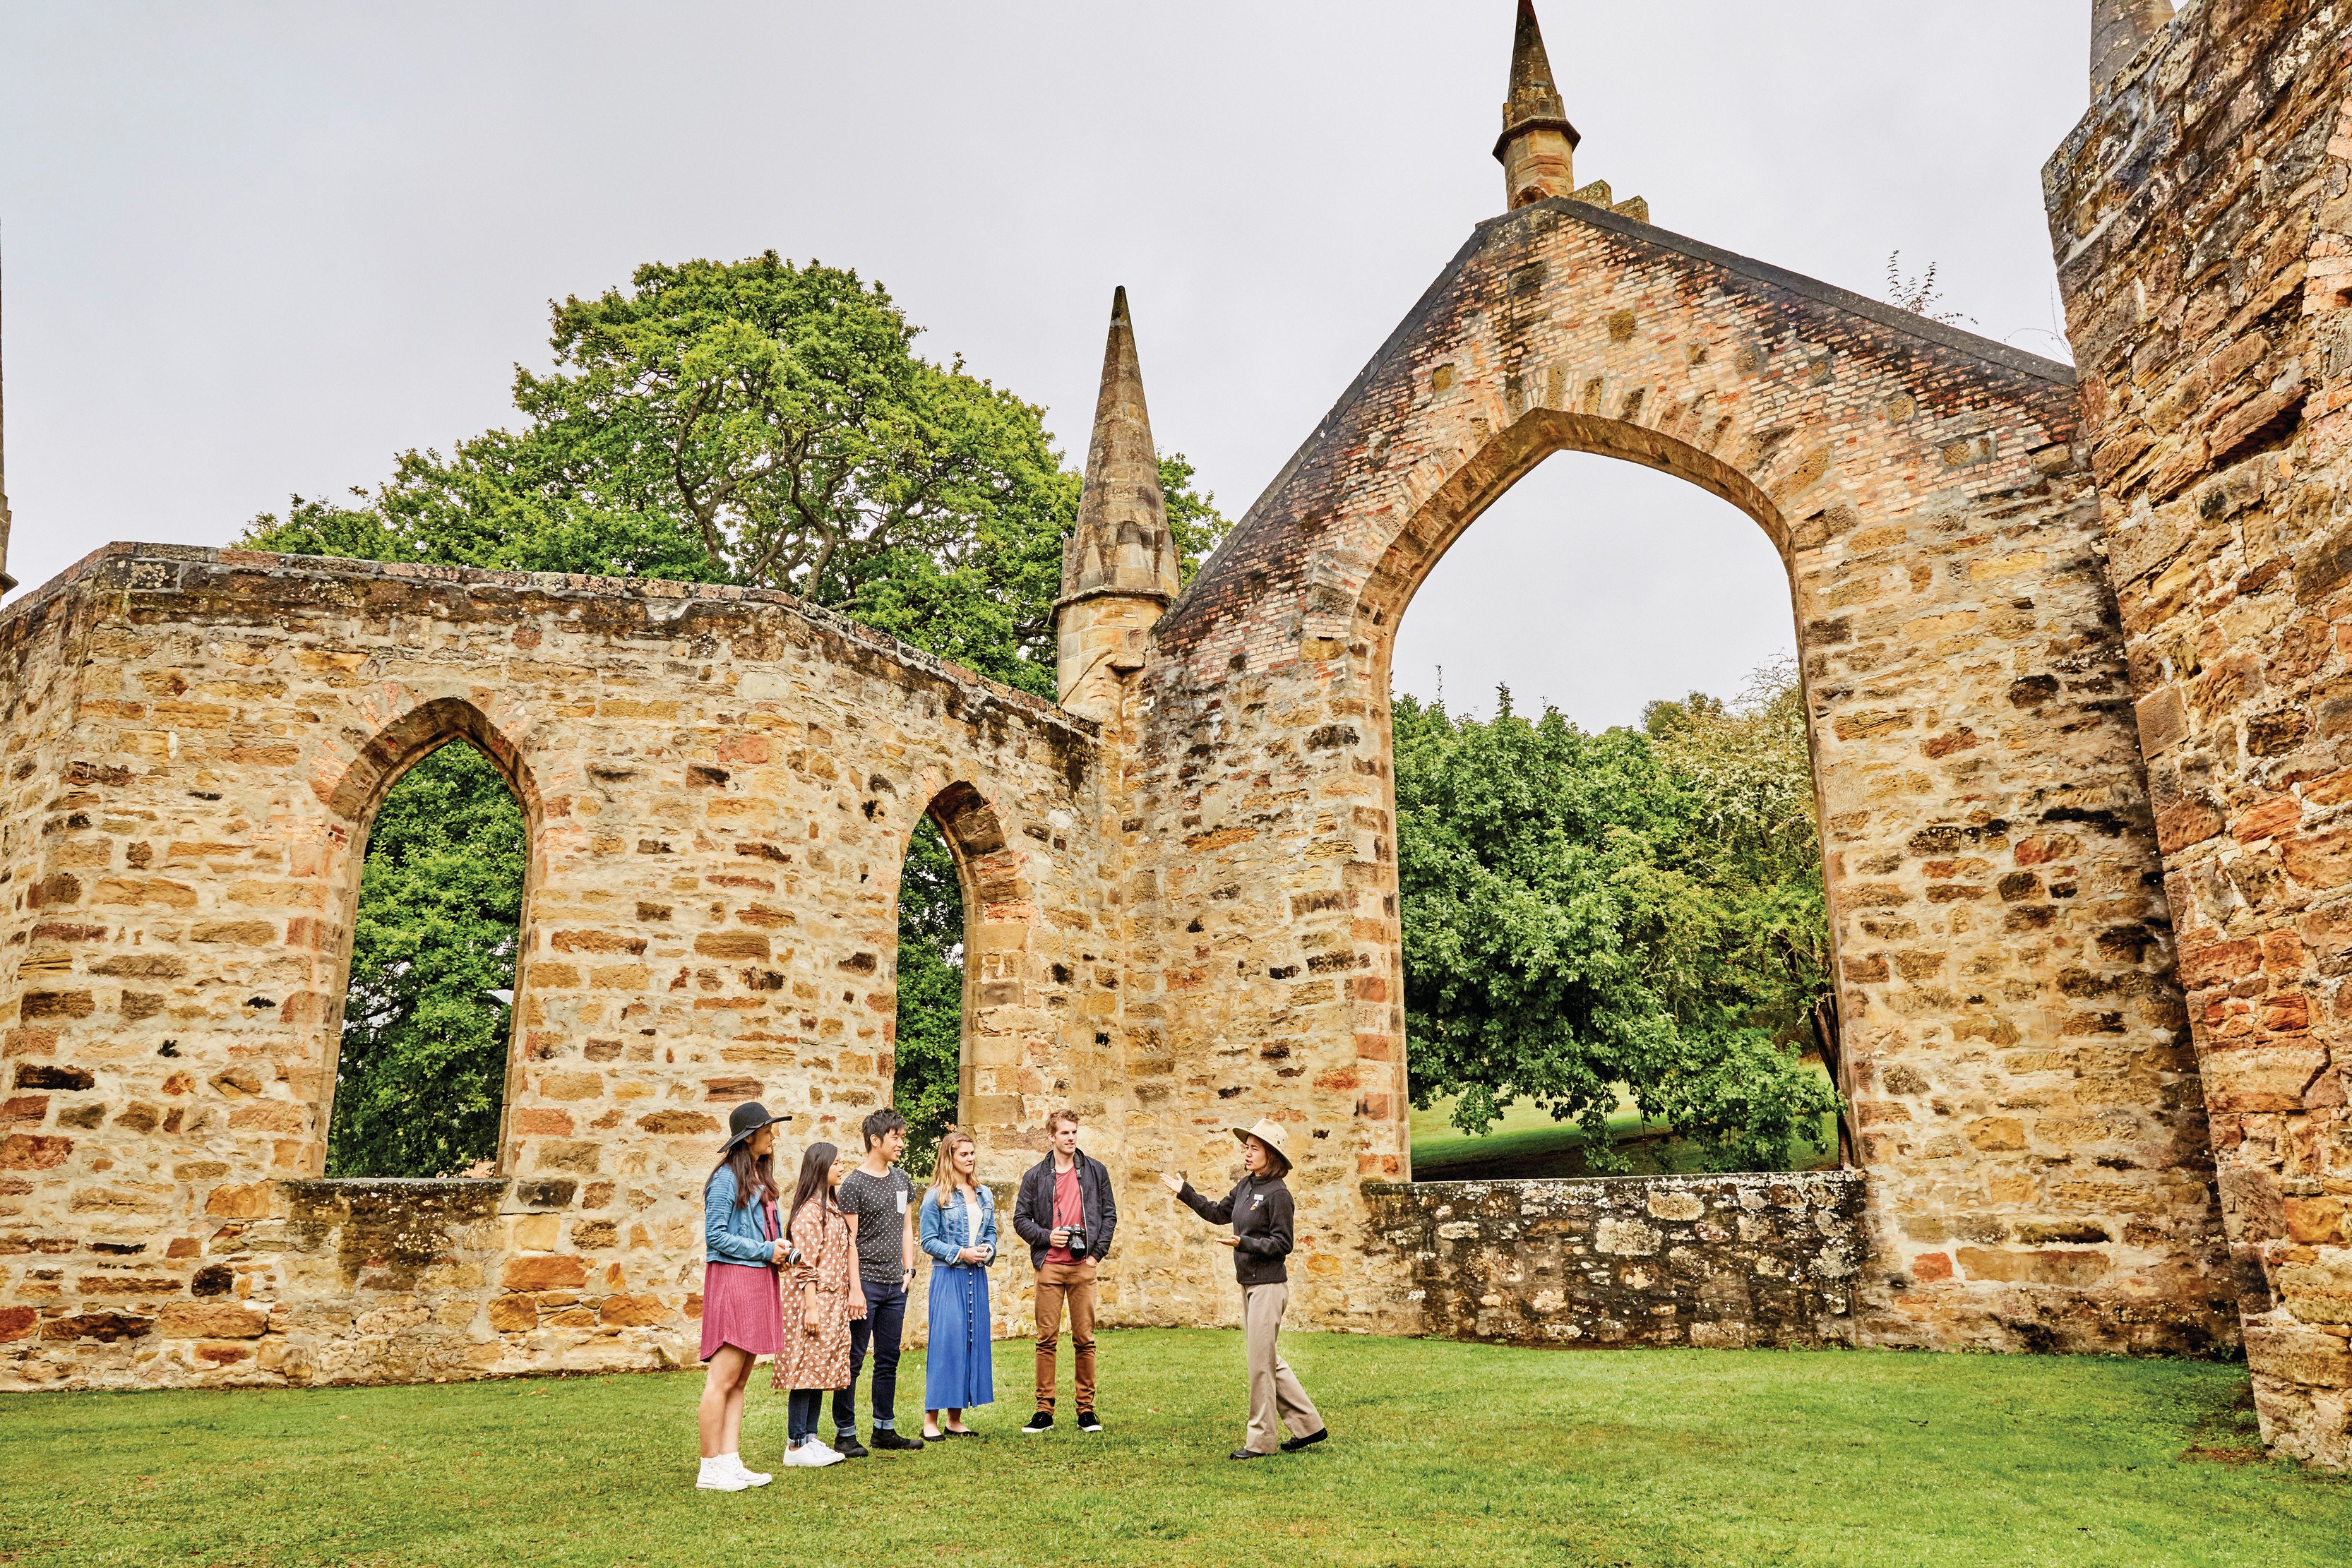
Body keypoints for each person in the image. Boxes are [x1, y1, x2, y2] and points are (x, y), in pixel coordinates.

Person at [1162, 1116, 1329, 1461]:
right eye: (1246, 1147)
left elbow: (1284, 1243)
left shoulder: (1279, 1194)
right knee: (1267, 1360)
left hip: (1269, 1287)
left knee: (1259, 1365)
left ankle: (1261, 1442)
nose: (1247, 1153)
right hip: (1250, 1285)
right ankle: (1310, 1426)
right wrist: (1185, 1193)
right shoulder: (1246, 1186)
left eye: (1254, 1148)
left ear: (1271, 1154)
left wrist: (1246, 1242)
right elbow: (1217, 1212)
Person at [696, 1101, 795, 1492]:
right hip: (734, 1283)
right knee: (720, 1381)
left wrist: (777, 1249)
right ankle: (709, 1468)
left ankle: (730, 1460)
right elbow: (715, 1236)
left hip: (757, 1282)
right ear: (750, 1136)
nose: (774, 1136)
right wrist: (764, 1251)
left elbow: (758, 1233)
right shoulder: (724, 1180)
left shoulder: (757, 1178)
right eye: (768, 1130)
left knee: (739, 1383)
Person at [1011, 1106, 1116, 1435]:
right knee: (1046, 1340)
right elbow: (1019, 1219)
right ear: (1051, 1136)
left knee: (1085, 1340)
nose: (1071, 1138)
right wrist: (1046, 1236)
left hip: (1084, 1266)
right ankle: (1044, 1411)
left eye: (1074, 1132)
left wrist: (1096, 1255)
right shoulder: (1035, 1176)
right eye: (1065, 1133)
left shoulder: (1095, 1171)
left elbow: (1109, 1215)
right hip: (1050, 1267)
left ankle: (1086, 1411)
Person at [830, 1108, 924, 1456]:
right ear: (875, 1140)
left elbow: (907, 1228)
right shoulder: (853, 1184)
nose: (901, 1142)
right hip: (865, 1284)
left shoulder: (902, 1179)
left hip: (895, 1285)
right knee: (853, 1359)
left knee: (889, 1358)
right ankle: (846, 1433)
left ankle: (884, 1429)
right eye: (896, 1136)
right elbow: (849, 1240)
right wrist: (855, 1289)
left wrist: (908, 1270)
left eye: (902, 1136)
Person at [772, 1140, 865, 1468]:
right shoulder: (810, 1213)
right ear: (820, 1167)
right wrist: (811, 1307)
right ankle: (796, 1444)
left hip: (832, 1302)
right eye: (836, 1162)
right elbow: (805, 1265)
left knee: (818, 1371)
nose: (842, 1166)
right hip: (814, 1301)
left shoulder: (831, 1208)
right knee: (804, 1370)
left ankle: (810, 1438)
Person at [918, 1127, 997, 1437]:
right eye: (963, 1154)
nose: (970, 1159)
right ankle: (930, 1421)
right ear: (949, 1158)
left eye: (972, 1153)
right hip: (949, 1276)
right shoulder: (935, 1196)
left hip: (976, 1277)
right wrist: (961, 1253)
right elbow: (928, 1241)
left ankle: (954, 1418)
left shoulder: (984, 1194)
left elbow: (990, 1233)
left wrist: (986, 1250)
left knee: (969, 1341)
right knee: (945, 1344)